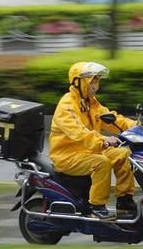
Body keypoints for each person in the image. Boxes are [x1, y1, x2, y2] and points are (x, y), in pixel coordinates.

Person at [49, 61, 137, 220]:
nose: (95, 85)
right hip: (67, 156)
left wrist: (136, 127)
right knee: (101, 162)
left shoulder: (90, 102)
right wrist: (104, 140)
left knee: (122, 154)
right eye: (91, 81)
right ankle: (96, 206)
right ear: (77, 82)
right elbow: (79, 133)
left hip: (88, 151)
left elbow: (111, 118)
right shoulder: (67, 106)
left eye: (97, 80)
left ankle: (125, 201)